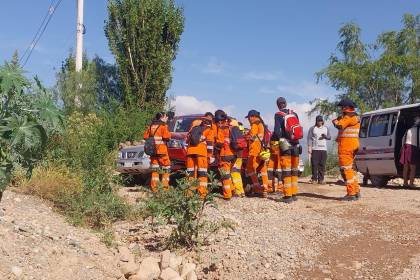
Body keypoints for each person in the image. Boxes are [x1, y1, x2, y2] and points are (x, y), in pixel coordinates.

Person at [272, 97, 302, 203]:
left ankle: (288, 196)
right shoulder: (294, 113)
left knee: (286, 171)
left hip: (286, 145)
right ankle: (294, 194)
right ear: (286, 103)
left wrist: (278, 140)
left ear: (278, 105)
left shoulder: (278, 115)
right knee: (294, 170)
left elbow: (277, 131)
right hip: (296, 145)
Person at [332, 98, 361, 201]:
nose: (341, 109)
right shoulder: (355, 116)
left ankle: (351, 194)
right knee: (351, 169)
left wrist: (335, 121)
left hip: (346, 147)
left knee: (346, 169)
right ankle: (356, 191)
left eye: (342, 108)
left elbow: (339, 126)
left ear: (346, 107)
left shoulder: (349, 116)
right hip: (353, 144)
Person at [185, 115, 214, 198]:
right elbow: (210, 145)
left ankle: (189, 194)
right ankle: (202, 194)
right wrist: (209, 156)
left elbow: (187, 141)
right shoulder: (209, 130)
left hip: (190, 152)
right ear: (209, 123)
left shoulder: (193, 129)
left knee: (190, 173)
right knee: (202, 173)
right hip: (201, 153)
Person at [143, 112, 171, 192]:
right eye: (166, 117)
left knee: (155, 170)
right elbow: (167, 137)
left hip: (153, 151)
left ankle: (154, 189)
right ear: (162, 117)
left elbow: (145, 136)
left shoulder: (151, 125)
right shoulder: (163, 126)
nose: (167, 118)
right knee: (166, 168)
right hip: (161, 151)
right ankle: (165, 189)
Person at [245, 110, 269, 198]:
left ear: (252, 117)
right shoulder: (262, 124)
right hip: (262, 151)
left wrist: (246, 136)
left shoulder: (255, 124)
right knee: (263, 169)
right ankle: (265, 189)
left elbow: (252, 137)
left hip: (254, 151)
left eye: (248, 118)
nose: (248, 120)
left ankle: (257, 188)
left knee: (250, 169)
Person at [215, 110, 235, 200]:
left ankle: (227, 194)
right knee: (229, 173)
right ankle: (232, 190)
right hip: (233, 154)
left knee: (225, 175)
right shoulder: (231, 126)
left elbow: (219, 142)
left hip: (225, 154)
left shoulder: (221, 128)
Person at [307, 115, 331, 184]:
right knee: (314, 164)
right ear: (316, 121)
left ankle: (321, 179)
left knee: (322, 164)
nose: (319, 122)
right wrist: (309, 147)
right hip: (315, 149)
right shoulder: (312, 128)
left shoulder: (326, 128)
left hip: (323, 149)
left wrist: (325, 136)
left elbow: (329, 137)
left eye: (320, 121)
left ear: (322, 121)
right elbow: (309, 138)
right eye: (318, 121)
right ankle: (314, 179)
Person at [400, 116, 420, 188]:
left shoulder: (408, 130)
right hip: (413, 148)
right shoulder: (418, 130)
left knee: (405, 167)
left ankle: (405, 183)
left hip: (405, 147)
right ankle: (411, 184)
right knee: (413, 168)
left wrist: (403, 148)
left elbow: (403, 140)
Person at [229, 118, 245, 197]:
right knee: (237, 173)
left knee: (234, 172)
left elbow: (233, 143)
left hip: (236, 155)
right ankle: (241, 191)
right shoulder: (239, 130)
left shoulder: (233, 130)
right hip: (240, 155)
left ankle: (238, 192)